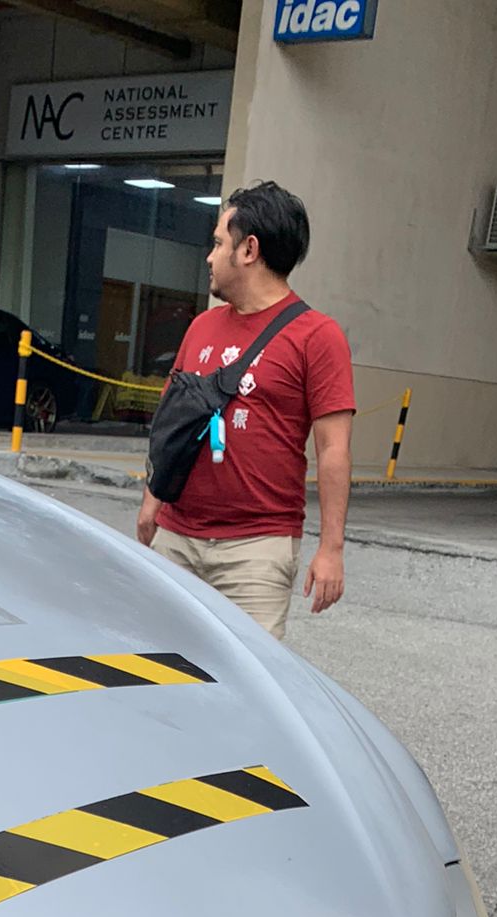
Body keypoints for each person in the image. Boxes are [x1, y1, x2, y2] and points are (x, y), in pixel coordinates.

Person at [137, 181, 354, 641]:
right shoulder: (201, 326)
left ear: (249, 250)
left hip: (257, 550)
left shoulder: (317, 336)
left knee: (247, 674)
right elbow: (172, 419)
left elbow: (333, 450)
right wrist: (153, 499)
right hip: (177, 537)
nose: (209, 256)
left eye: (219, 243)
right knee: (159, 666)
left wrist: (331, 548)